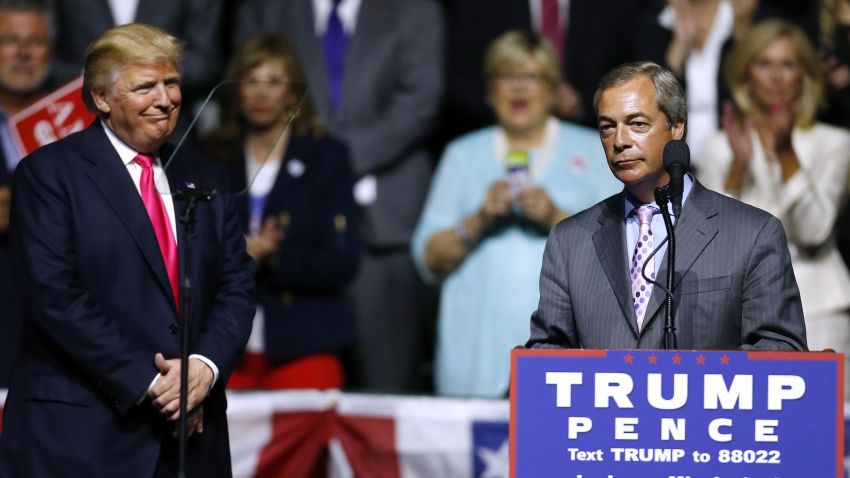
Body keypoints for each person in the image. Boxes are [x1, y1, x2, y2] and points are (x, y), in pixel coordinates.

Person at [0, 23, 255, 477]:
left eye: (171, 82)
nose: (165, 99)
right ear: (101, 98)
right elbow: (54, 298)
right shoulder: (49, 175)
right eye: (145, 87)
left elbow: (236, 284)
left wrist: (203, 367)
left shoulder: (206, 174)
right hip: (83, 438)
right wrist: (154, 383)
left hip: (191, 442)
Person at [234, 0, 444, 392]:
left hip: (386, 219)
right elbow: (246, 76)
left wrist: (331, 161)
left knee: (387, 383)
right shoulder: (268, 8)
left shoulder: (413, 9)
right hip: (291, 217)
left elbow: (420, 100)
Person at [526, 61, 807, 351]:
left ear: (676, 127)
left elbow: (780, 351)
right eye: (608, 127)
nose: (620, 141)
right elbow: (547, 354)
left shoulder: (753, 234)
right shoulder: (570, 241)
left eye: (637, 124)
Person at [413, 31, 620, 398]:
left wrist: (557, 216)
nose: (519, 88)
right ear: (489, 90)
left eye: (533, 76)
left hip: (567, 359)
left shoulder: (593, 151)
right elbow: (427, 260)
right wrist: (477, 220)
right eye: (507, 76)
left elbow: (628, 256)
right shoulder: (462, 155)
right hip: (475, 358)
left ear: (554, 88)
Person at [205, 34, 360, 390]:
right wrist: (234, 251)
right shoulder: (213, 154)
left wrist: (274, 254)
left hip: (305, 342)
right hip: (225, 345)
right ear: (236, 89)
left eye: (273, 82)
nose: (261, 94)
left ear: (292, 92)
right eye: (251, 80)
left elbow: (343, 261)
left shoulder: (326, 157)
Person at [699, 20, 850, 379]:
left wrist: (785, 155)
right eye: (764, 64)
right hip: (736, 314)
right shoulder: (718, 147)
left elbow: (814, 232)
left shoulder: (835, 144)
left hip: (818, 310)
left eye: (788, 64)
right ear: (745, 73)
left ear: (805, 75)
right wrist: (737, 167)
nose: (776, 77)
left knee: (823, 429)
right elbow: (709, 244)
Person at [0, 0, 53, 387]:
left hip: (60, 325)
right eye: (10, 41)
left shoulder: (79, 117)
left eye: (34, 42)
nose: (22, 52)